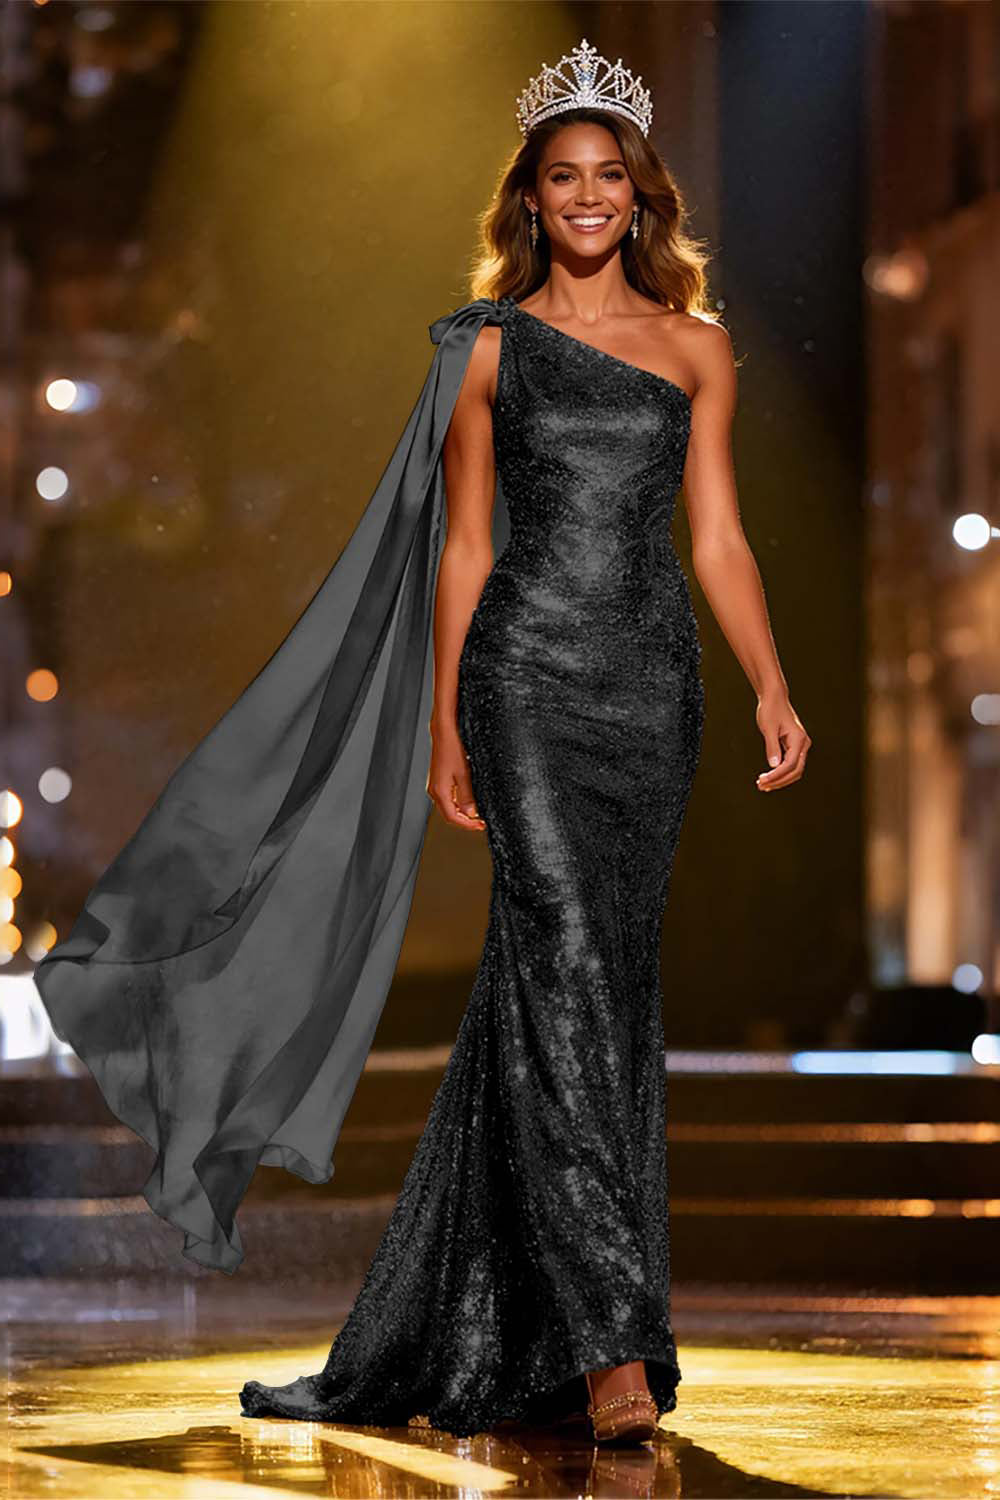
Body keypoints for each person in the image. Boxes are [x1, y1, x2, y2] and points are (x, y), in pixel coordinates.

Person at [35, 39, 809, 1446]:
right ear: (532, 197)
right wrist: (451, 714)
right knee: (566, 959)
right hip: (525, 686)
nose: (588, 196)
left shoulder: (697, 348)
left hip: (651, 692)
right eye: (563, 176)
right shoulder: (485, 347)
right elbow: (463, 548)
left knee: (591, 988)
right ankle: (612, 1347)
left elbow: (719, 535)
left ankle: (496, 1325)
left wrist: (770, 680)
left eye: (610, 176)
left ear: (641, 196)